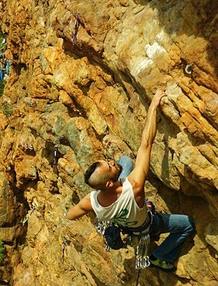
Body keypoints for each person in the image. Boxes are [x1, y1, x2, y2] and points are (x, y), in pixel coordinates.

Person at [67, 90, 195, 272]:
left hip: (125, 224)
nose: (111, 162)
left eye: (107, 161)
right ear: (109, 183)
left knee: (125, 161)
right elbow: (146, 143)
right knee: (188, 224)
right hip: (149, 225)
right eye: (109, 167)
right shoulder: (134, 186)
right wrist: (153, 107)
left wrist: (103, 215)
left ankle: (117, 219)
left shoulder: (91, 201)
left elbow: (70, 215)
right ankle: (160, 257)